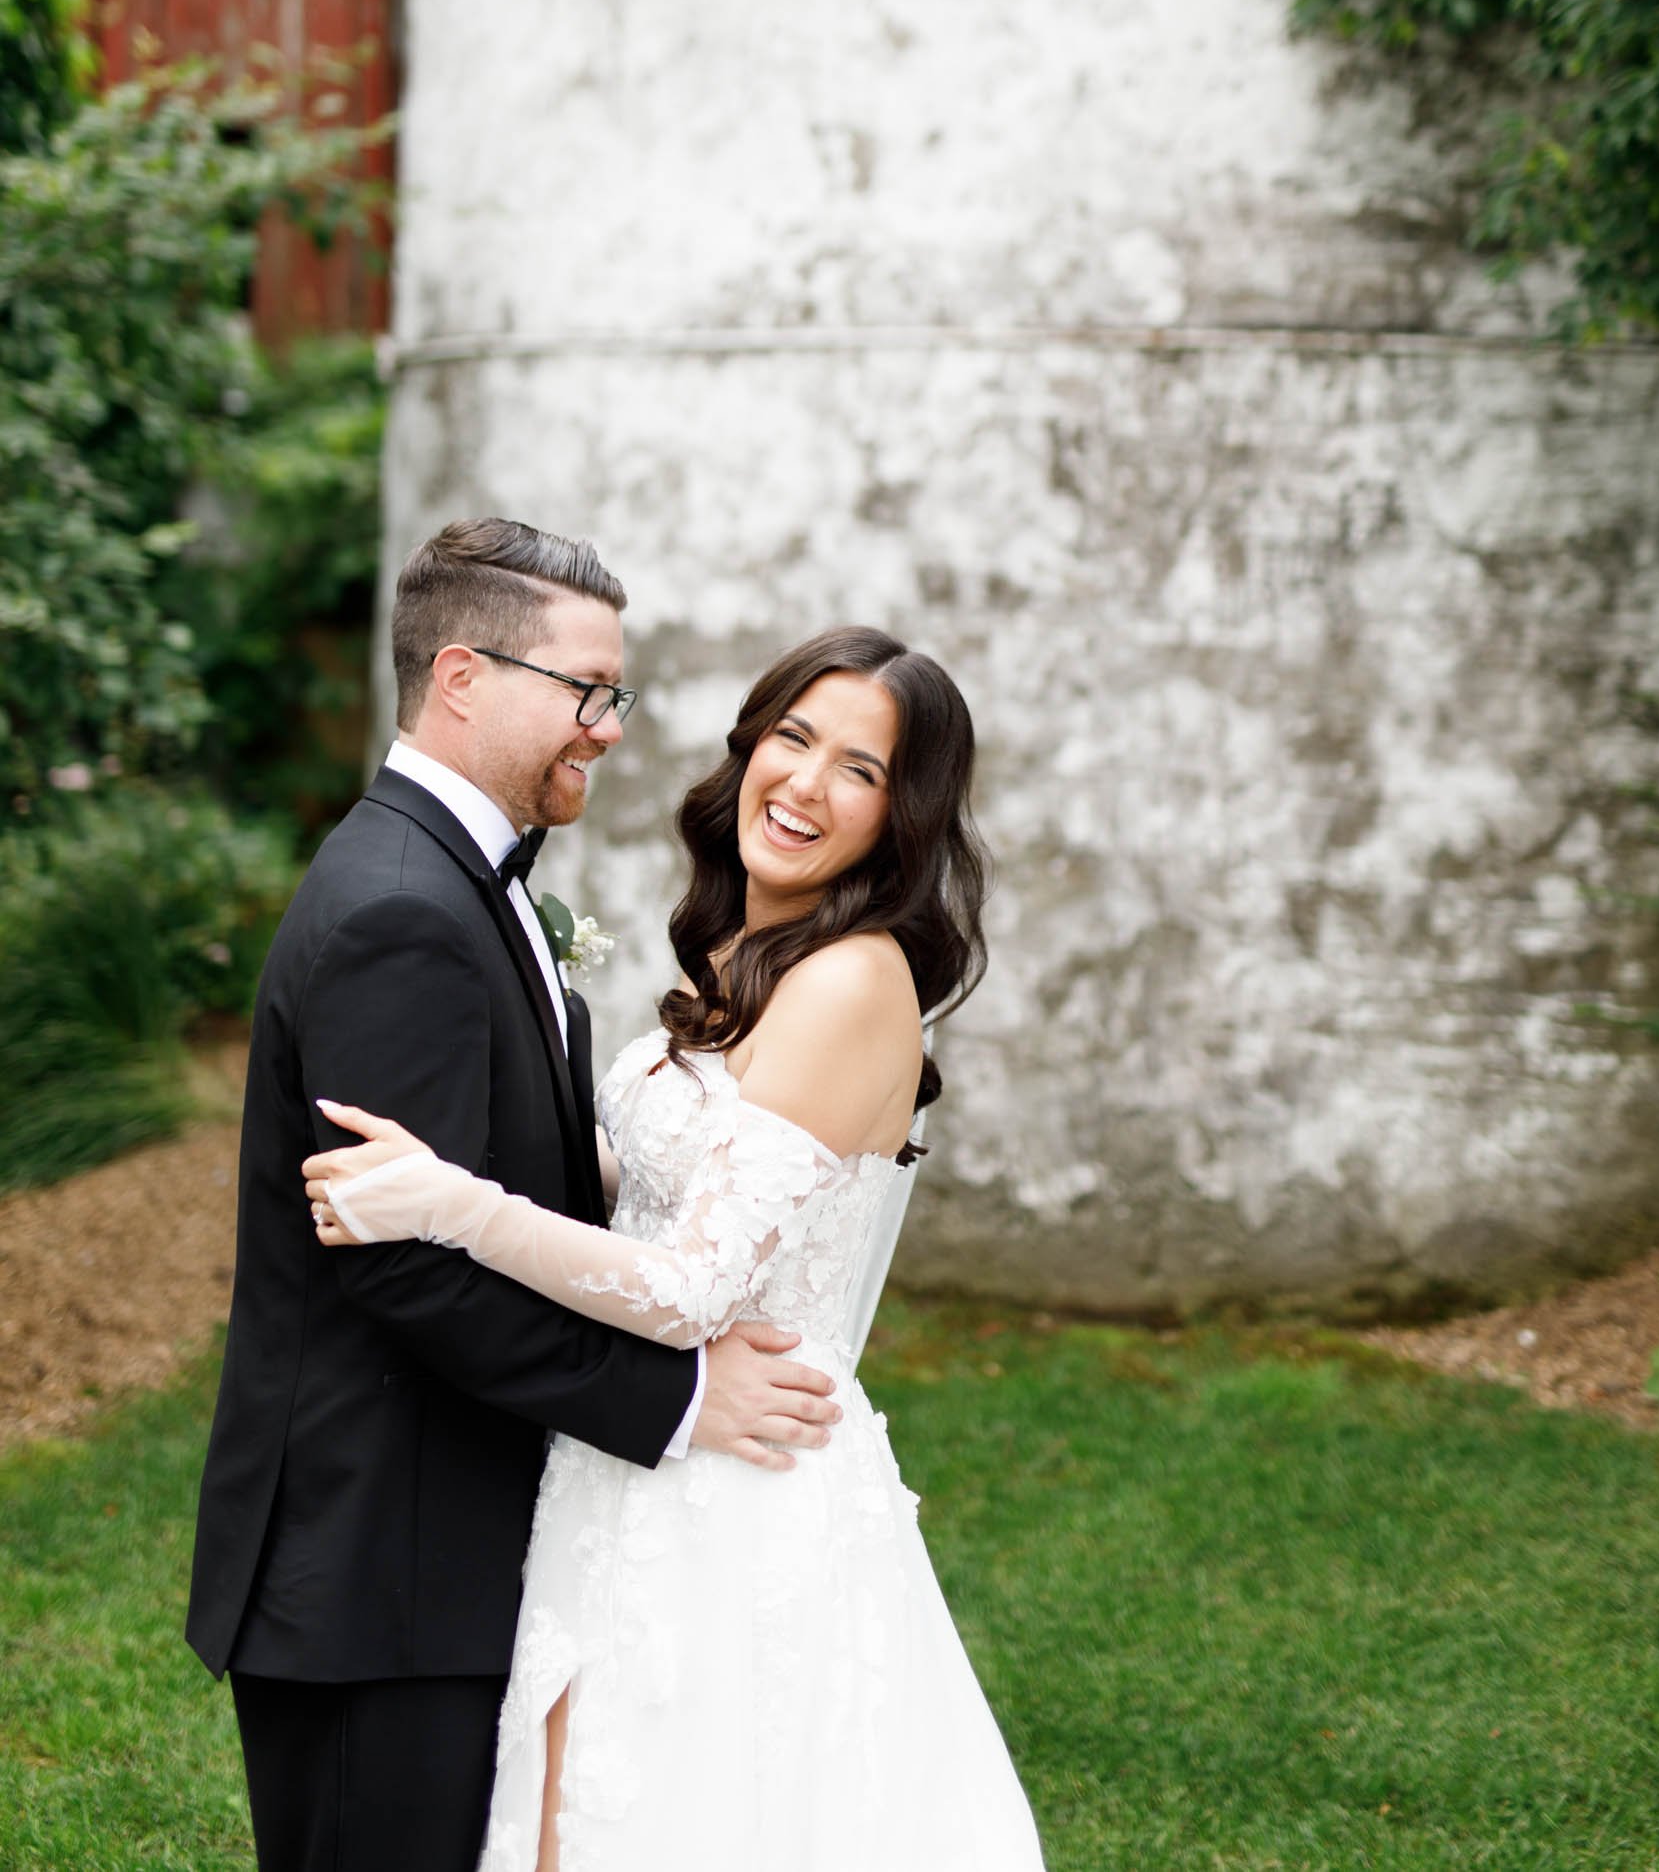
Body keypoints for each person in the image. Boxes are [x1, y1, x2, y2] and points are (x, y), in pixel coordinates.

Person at [301, 625, 1048, 1872]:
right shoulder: (750, 961)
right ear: (748, 745)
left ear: (900, 818)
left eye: (858, 770)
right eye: (794, 738)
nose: (805, 784)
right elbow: (643, 1188)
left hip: (737, 1493)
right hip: (628, 1466)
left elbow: (692, 1284)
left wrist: (449, 1203)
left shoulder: (852, 982)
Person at [187, 521, 841, 1872]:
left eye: (615, 695)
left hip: (434, 1554)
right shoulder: (400, 912)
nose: (606, 727)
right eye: (585, 690)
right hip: (381, 1577)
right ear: (463, 678)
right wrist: (670, 1398)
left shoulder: (451, 881)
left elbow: (491, 1180)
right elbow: (403, 1264)